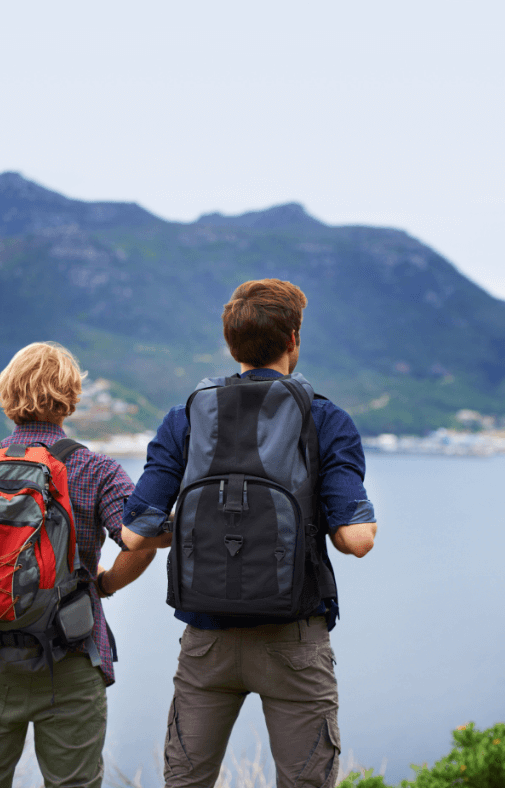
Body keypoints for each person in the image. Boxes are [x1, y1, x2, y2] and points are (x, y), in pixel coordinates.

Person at [122, 279, 378, 788]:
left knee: (186, 781)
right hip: (294, 637)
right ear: (294, 339)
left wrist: (196, 527)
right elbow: (357, 540)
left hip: (207, 641)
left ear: (231, 344)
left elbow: (134, 534)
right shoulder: (325, 419)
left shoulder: (187, 415)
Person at [0, 341, 157, 788]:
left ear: (7, 395)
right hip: (71, 658)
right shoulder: (95, 469)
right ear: (70, 396)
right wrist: (106, 584)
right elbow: (141, 541)